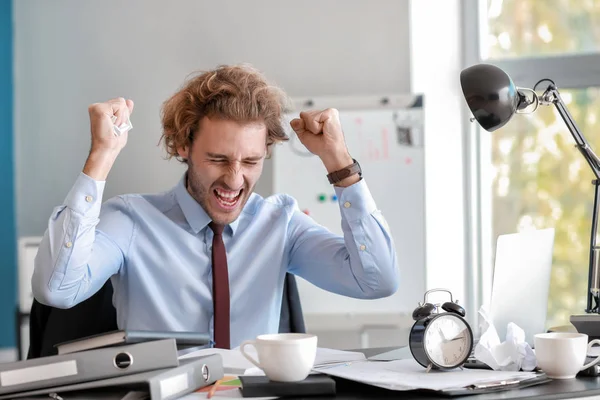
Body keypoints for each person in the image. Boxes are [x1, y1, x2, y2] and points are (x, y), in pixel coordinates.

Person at [32, 64, 400, 349]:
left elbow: (377, 281)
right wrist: (102, 155)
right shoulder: (131, 220)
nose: (235, 180)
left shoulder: (281, 223)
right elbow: (57, 290)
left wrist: (340, 164)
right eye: (218, 159)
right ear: (182, 146)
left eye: (251, 161)